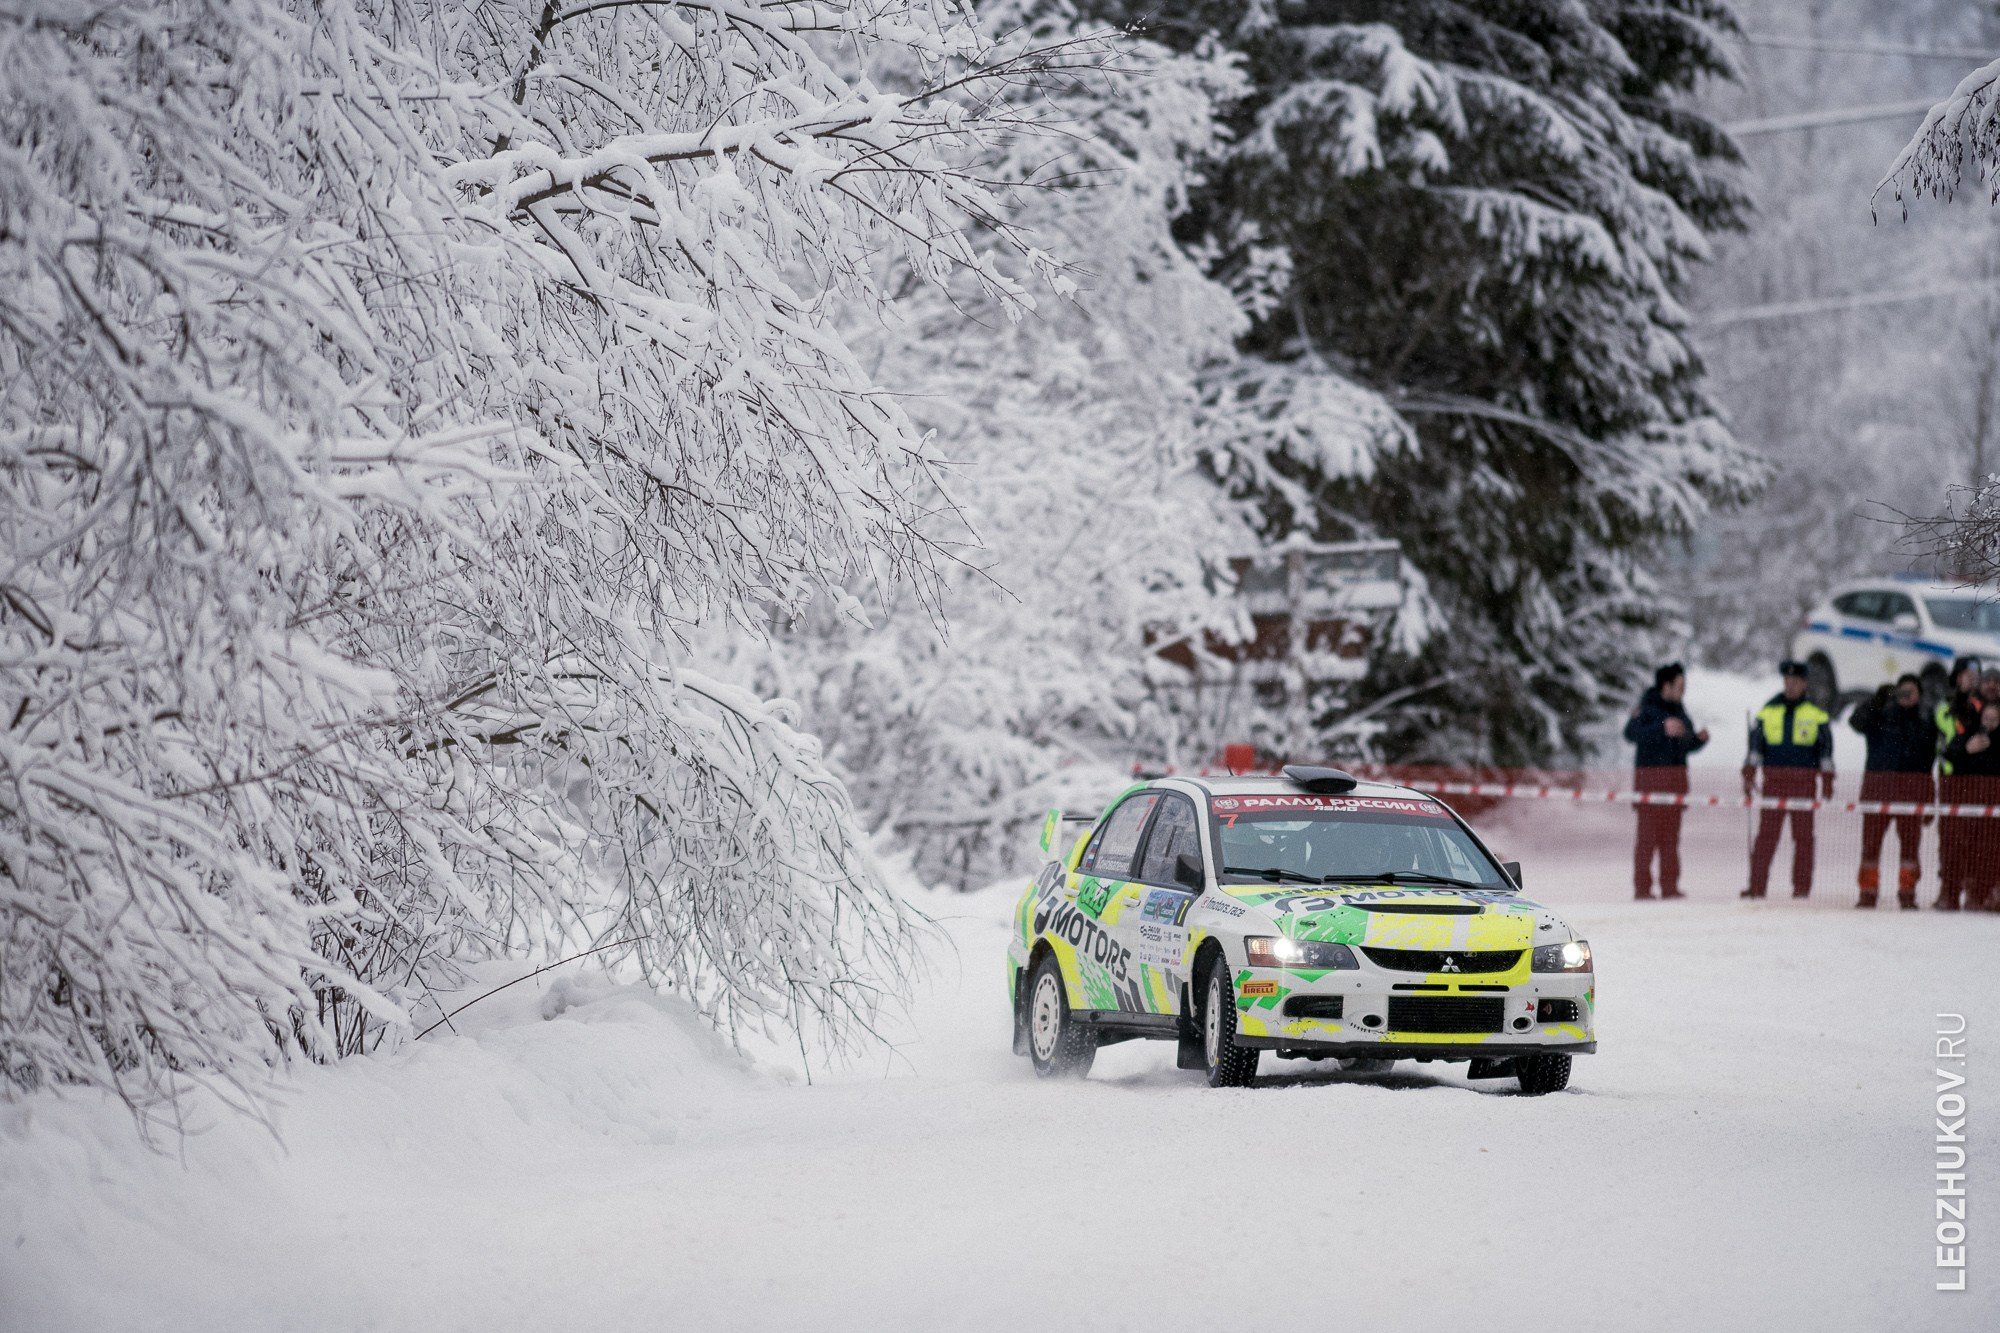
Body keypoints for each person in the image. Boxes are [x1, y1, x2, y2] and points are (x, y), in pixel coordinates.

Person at [1742, 660, 1834, 899]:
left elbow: (1825, 751)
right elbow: (1755, 747)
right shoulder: (1768, 711)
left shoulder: (1816, 714)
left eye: (1795, 682)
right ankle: (1757, 886)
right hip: (1774, 783)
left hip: (1804, 784)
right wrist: (1749, 772)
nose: (1790, 686)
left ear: (1804, 683)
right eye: (1787, 681)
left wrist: (1827, 779)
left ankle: (1802, 888)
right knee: (1766, 837)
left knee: (1803, 839)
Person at [1624, 662, 1708, 899]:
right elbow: (1630, 733)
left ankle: (1670, 887)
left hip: (1675, 787)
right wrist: (1661, 729)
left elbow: (1687, 744)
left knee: (1671, 840)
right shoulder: (1646, 708)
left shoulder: (1680, 710)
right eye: (1680, 686)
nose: (1683, 691)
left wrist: (1698, 739)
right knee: (1647, 841)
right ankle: (1642, 889)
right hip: (1649, 787)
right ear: (1666, 685)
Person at [1849, 674, 1933, 909]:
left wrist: (1928, 798)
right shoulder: (1881, 717)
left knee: (1910, 848)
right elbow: (1856, 723)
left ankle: (1908, 893)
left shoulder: (1925, 724)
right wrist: (1875, 701)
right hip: (1878, 793)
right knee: (1871, 846)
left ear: (1919, 696)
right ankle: (1868, 892)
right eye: (1902, 692)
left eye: (1911, 692)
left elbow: (1929, 764)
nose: (1906, 697)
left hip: (1911, 795)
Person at [1934, 657, 1983, 911]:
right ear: (1957, 677)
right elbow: (1944, 741)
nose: (1971, 679)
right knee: (1950, 836)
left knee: (1978, 836)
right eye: (1965, 674)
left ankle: (1975, 891)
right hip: (1951, 778)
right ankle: (1949, 890)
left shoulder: (1983, 706)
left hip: (1978, 779)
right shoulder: (1945, 708)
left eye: (1975, 675)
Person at [1942, 700, 2000, 911]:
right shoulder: (1970, 733)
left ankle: (1989, 894)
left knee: (1991, 852)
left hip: (1994, 806)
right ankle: (1969, 893)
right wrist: (1967, 749)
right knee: (1968, 850)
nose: (1990, 723)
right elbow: (1950, 755)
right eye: (1987, 718)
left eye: (1995, 719)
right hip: (1969, 803)